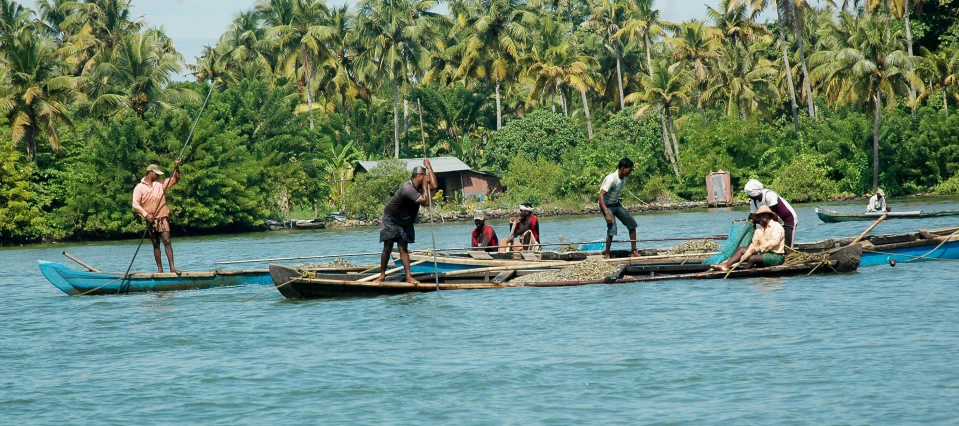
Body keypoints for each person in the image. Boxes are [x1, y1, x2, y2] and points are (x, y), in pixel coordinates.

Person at [374, 160, 437, 283]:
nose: (427, 179)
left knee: (403, 247)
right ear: (419, 176)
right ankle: (382, 275)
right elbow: (426, 202)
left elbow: (434, 186)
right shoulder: (408, 189)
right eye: (425, 176)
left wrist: (429, 167)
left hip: (405, 221)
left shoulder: (419, 186)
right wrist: (425, 185)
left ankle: (408, 276)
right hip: (391, 218)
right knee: (388, 246)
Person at [132, 159, 182, 273]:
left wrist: (176, 167)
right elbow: (135, 204)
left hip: (162, 217)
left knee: (167, 241)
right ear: (151, 173)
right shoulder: (139, 187)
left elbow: (175, 179)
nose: (158, 176)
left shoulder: (160, 184)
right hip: (150, 220)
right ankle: (160, 269)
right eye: (156, 174)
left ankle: (172, 268)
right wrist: (146, 215)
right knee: (155, 243)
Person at [714, 205, 785, 272]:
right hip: (762, 254)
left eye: (759, 217)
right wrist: (745, 255)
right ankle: (726, 265)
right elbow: (753, 244)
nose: (758, 220)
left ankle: (744, 272)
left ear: (765, 215)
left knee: (753, 258)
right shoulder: (758, 230)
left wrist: (759, 248)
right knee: (741, 250)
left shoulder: (777, 227)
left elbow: (774, 242)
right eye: (758, 218)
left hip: (775, 256)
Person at [599, 158, 641, 259]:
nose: (630, 172)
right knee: (612, 228)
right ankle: (607, 254)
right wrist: (607, 213)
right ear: (622, 168)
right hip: (606, 205)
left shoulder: (624, 177)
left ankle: (634, 251)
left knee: (632, 224)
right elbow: (600, 196)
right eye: (629, 170)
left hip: (616, 204)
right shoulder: (611, 179)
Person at [743, 179, 798, 247]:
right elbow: (751, 218)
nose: (749, 196)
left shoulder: (769, 195)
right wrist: (753, 234)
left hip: (788, 220)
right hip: (773, 222)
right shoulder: (753, 202)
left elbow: (772, 214)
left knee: (787, 246)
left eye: (749, 195)